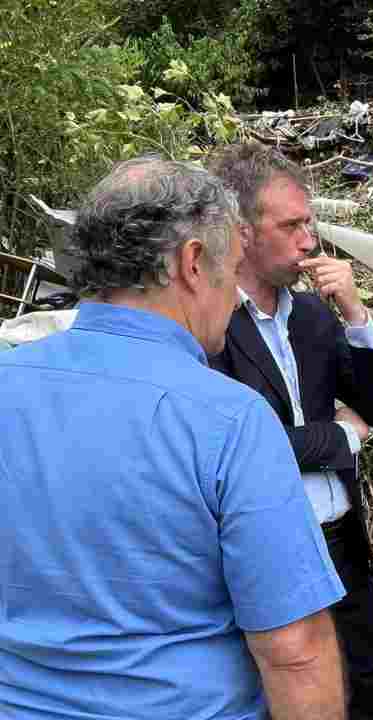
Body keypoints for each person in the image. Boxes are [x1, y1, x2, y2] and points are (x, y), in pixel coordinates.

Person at [0, 157, 348, 720]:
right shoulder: (227, 419)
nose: (235, 297)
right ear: (191, 263)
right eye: (231, 270)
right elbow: (295, 654)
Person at [208, 143, 373, 720]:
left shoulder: (314, 314)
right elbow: (239, 446)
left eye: (309, 224)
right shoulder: (213, 325)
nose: (308, 241)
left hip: (341, 539)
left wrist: (358, 316)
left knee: (364, 684)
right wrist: (340, 439)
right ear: (241, 233)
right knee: (289, 697)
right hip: (272, 542)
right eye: (291, 225)